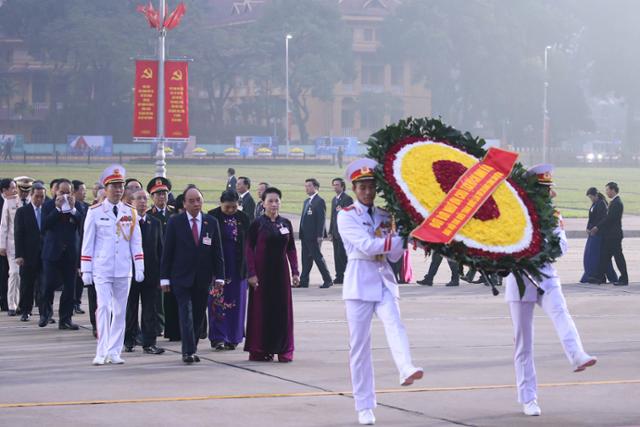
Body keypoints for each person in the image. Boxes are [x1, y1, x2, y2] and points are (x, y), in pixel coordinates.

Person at [505, 164, 597, 417]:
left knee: (561, 312)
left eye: (548, 189)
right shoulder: (514, 213)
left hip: (545, 276)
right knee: (523, 343)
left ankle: (577, 354)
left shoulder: (553, 215)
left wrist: (547, 248)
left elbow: (562, 244)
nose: (546, 193)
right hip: (520, 279)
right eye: (541, 189)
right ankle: (528, 398)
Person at [337, 159, 423, 426]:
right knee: (360, 348)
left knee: (395, 323)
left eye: (371, 186)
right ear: (354, 187)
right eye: (362, 186)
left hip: (384, 278)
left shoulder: (386, 215)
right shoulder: (346, 214)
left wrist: (405, 238)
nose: (367, 191)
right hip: (359, 282)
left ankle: (405, 367)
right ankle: (364, 405)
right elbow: (365, 245)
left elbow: (394, 254)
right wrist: (400, 238)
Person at [81, 165, 144, 365]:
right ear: (106, 188)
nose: (118, 190)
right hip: (102, 267)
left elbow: (136, 241)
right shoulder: (95, 212)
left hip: (123, 269)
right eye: (114, 186)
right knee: (104, 307)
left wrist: (139, 266)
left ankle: (115, 351)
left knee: (119, 311)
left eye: (120, 186)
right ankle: (101, 351)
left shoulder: (130, 211)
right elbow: (88, 242)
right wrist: (86, 268)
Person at [160, 187, 225, 364]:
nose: (196, 204)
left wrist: (220, 276)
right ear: (184, 203)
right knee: (186, 313)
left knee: (197, 315)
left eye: (198, 200)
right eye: (191, 201)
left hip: (203, 278)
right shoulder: (175, 222)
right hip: (180, 277)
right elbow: (168, 252)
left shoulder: (211, 222)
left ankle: (192, 347)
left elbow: (217, 252)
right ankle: (187, 351)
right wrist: (164, 277)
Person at [244, 187, 299, 362]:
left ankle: (283, 349)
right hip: (262, 275)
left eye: (277, 201)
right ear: (263, 203)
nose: (274, 204)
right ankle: (261, 349)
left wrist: (295, 272)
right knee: (262, 312)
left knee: (282, 312)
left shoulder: (286, 223)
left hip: (281, 274)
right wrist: (251, 274)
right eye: (270, 201)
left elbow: (291, 249)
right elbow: (248, 250)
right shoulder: (257, 224)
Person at [207, 190, 250, 350]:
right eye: (227, 207)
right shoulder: (212, 217)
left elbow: (249, 244)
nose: (231, 210)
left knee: (236, 304)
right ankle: (218, 337)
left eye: (234, 207)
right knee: (216, 302)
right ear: (221, 203)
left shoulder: (243, 218)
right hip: (218, 267)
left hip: (238, 267)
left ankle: (234, 337)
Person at [124, 189, 165, 355]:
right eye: (138, 199)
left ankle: (149, 343)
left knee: (150, 310)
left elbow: (160, 250)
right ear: (131, 202)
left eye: (144, 199)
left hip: (151, 274)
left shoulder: (155, 223)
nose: (142, 202)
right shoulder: (125, 222)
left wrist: (163, 274)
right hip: (130, 273)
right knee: (130, 309)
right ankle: (129, 340)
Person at [147, 176, 177, 339]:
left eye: (164, 193)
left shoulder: (175, 214)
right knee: (158, 297)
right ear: (152, 197)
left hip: (175, 261)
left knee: (173, 296)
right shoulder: (148, 216)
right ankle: (159, 325)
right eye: (158, 194)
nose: (162, 197)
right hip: (157, 261)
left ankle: (171, 326)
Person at [0, 177, 32, 316]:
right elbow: (4, 225)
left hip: (30, 245)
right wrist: (1, 245)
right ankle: (12, 305)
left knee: (27, 276)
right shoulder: (9, 201)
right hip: (13, 244)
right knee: (14, 273)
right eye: (22, 189)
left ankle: (23, 305)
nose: (24, 192)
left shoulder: (34, 200)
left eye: (27, 190)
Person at [14, 182, 46, 321]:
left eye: (42, 197)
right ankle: (26, 310)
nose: (39, 200)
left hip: (45, 254)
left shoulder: (47, 211)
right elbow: (18, 234)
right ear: (31, 195)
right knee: (27, 284)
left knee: (45, 284)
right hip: (28, 254)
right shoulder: (22, 212)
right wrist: (19, 255)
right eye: (37, 197)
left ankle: (45, 312)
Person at [588, 182, 628, 286]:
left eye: (607, 190)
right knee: (604, 256)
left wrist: (597, 227)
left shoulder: (617, 203)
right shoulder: (613, 202)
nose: (606, 192)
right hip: (609, 236)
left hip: (614, 236)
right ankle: (600, 277)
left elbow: (609, 219)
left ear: (613, 190)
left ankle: (624, 278)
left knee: (618, 257)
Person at [299, 178, 333, 288]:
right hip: (305, 235)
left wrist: (320, 235)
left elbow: (321, 219)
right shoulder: (306, 201)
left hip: (314, 236)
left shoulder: (319, 201)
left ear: (316, 187)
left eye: (309, 186)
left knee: (317, 258)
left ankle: (328, 280)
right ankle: (304, 281)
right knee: (305, 259)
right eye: (306, 186)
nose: (307, 188)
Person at [581, 187, 617, 284]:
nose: (591, 199)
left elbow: (603, 219)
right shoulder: (594, 204)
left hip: (599, 234)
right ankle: (592, 274)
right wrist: (588, 227)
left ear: (596, 195)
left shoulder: (602, 204)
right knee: (590, 255)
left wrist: (596, 228)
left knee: (595, 256)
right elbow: (591, 218)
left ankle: (595, 275)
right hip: (592, 233)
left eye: (591, 197)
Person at [328, 177, 353, 284]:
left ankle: (348, 276)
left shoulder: (347, 199)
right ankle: (339, 276)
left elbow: (351, 214)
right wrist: (330, 231)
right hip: (335, 232)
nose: (335, 186)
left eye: (337, 184)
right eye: (334, 184)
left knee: (342, 255)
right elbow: (332, 216)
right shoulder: (334, 199)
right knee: (336, 256)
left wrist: (342, 210)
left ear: (342, 186)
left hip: (343, 233)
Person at [72, 179, 89, 315]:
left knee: (79, 279)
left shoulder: (87, 207)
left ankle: (77, 302)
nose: (84, 193)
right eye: (82, 190)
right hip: (73, 245)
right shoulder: (71, 206)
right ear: (74, 191)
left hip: (83, 245)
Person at [0, 178, 12, 312]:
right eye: (12, 188)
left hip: (11, 244)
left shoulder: (14, 202)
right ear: (4, 190)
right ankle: (4, 301)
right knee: (4, 274)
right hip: (2, 244)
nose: (15, 190)